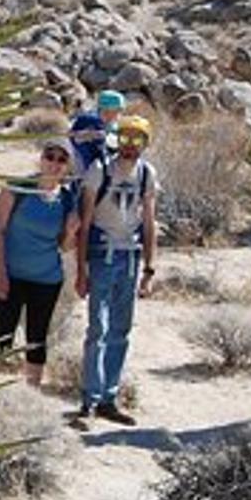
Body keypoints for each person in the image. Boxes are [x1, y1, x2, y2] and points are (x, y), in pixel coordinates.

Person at [72, 114, 159, 426]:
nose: (130, 146)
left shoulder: (147, 174)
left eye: (137, 139)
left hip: (130, 257)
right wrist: (81, 270)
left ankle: (109, 397)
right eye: (125, 138)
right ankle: (89, 400)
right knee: (98, 328)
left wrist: (149, 269)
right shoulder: (100, 170)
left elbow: (149, 222)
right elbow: (84, 223)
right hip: (102, 255)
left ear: (145, 143)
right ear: (116, 139)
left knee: (121, 330)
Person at [0, 137, 82, 383]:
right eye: (50, 156)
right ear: (41, 159)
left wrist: (72, 232)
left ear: (68, 167)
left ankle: (32, 394)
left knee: (37, 339)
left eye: (62, 160)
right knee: (2, 335)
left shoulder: (67, 199)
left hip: (46, 278)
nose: (54, 163)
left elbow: (63, 246)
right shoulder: (17, 188)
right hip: (11, 274)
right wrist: (0, 272)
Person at [68, 90, 127, 172]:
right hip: (82, 167)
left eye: (117, 112)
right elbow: (71, 136)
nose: (114, 116)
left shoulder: (114, 127)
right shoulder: (88, 120)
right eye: (108, 112)